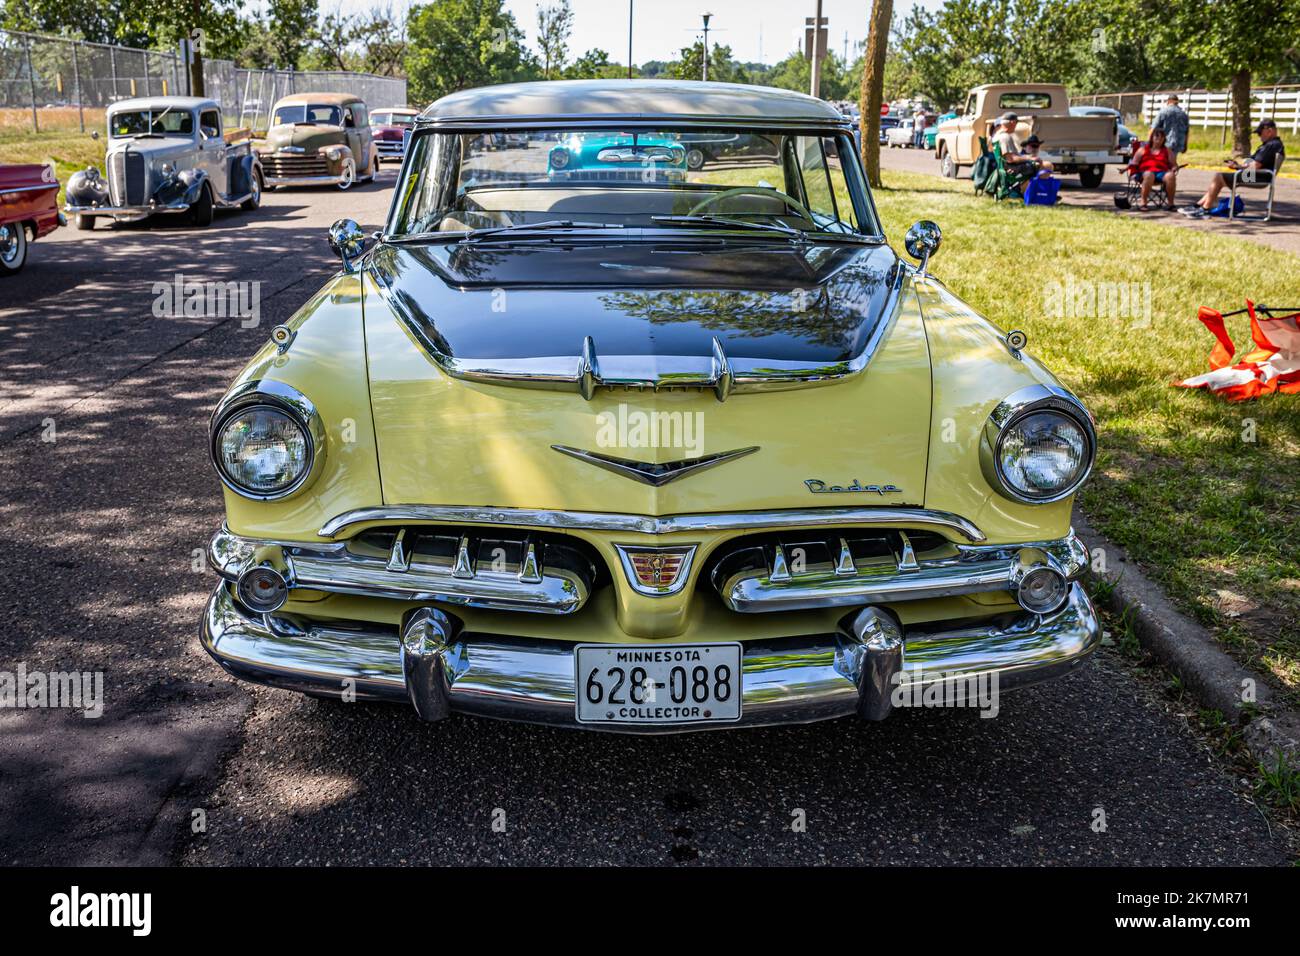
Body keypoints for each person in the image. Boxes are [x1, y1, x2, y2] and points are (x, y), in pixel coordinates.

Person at [1182, 119, 1286, 218]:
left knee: (1219, 177)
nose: (1259, 136)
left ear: (1270, 131)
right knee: (1219, 178)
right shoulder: (1272, 144)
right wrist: (1238, 166)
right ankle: (1199, 206)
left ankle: (1204, 208)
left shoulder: (1272, 145)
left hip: (1259, 177)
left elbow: (1256, 166)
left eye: (1260, 133)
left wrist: (1237, 167)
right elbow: (1254, 164)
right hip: (1257, 175)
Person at [1129, 126, 1177, 209]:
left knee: (1171, 176)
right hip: (1144, 173)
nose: (1159, 138)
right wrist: (1126, 169)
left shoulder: (1167, 150)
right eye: (1157, 135)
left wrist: (1174, 168)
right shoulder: (1143, 149)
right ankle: (1143, 203)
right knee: (1149, 174)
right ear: (1152, 137)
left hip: (1161, 173)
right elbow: (1134, 163)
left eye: (1162, 136)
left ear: (1164, 139)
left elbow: (1174, 165)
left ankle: (1171, 204)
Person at [1152, 94, 1189, 164]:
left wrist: (1150, 142)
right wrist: (1185, 145)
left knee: (1162, 162)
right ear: (1177, 102)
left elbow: (1154, 128)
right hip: (1178, 142)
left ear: (1168, 101)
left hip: (1164, 142)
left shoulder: (1163, 112)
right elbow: (1186, 132)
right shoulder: (1183, 114)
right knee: (1172, 161)